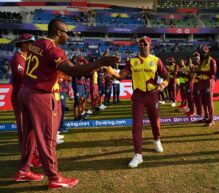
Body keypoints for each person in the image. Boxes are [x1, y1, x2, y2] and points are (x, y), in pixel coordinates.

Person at [15, 19, 118, 189]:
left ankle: (23, 170)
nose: (68, 35)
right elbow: (72, 71)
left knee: (30, 135)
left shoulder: (37, 44)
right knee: (47, 137)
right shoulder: (53, 50)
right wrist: (100, 62)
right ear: (58, 32)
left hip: (26, 91)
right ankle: (54, 177)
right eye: (66, 32)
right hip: (40, 95)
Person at [104, 36, 169, 168]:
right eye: (140, 44)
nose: (142, 46)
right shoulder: (132, 61)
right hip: (138, 96)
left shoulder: (156, 60)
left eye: (145, 44)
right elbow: (120, 76)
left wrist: (163, 85)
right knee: (137, 126)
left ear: (149, 46)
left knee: (155, 122)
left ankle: (157, 139)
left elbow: (165, 75)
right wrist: (108, 68)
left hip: (152, 95)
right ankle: (138, 155)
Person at [10, 33, 41, 167]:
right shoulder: (18, 58)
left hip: (29, 96)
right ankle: (27, 159)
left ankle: (33, 155)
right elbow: (23, 76)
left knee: (32, 128)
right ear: (23, 44)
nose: (32, 45)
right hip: (20, 97)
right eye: (30, 42)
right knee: (24, 129)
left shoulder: (29, 57)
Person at [196, 45, 216, 127]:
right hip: (202, 81)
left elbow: (213, 73)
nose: (202, 53)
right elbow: (200, 71)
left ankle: (212, 119)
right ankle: (206, 116)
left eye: (204, 52)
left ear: (207, 52)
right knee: (203, 100)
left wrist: (201, 72)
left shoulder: (212, 60)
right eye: (201, 52)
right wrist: (197, 72)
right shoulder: (202, 61)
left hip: (209, 81)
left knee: (209, 101)